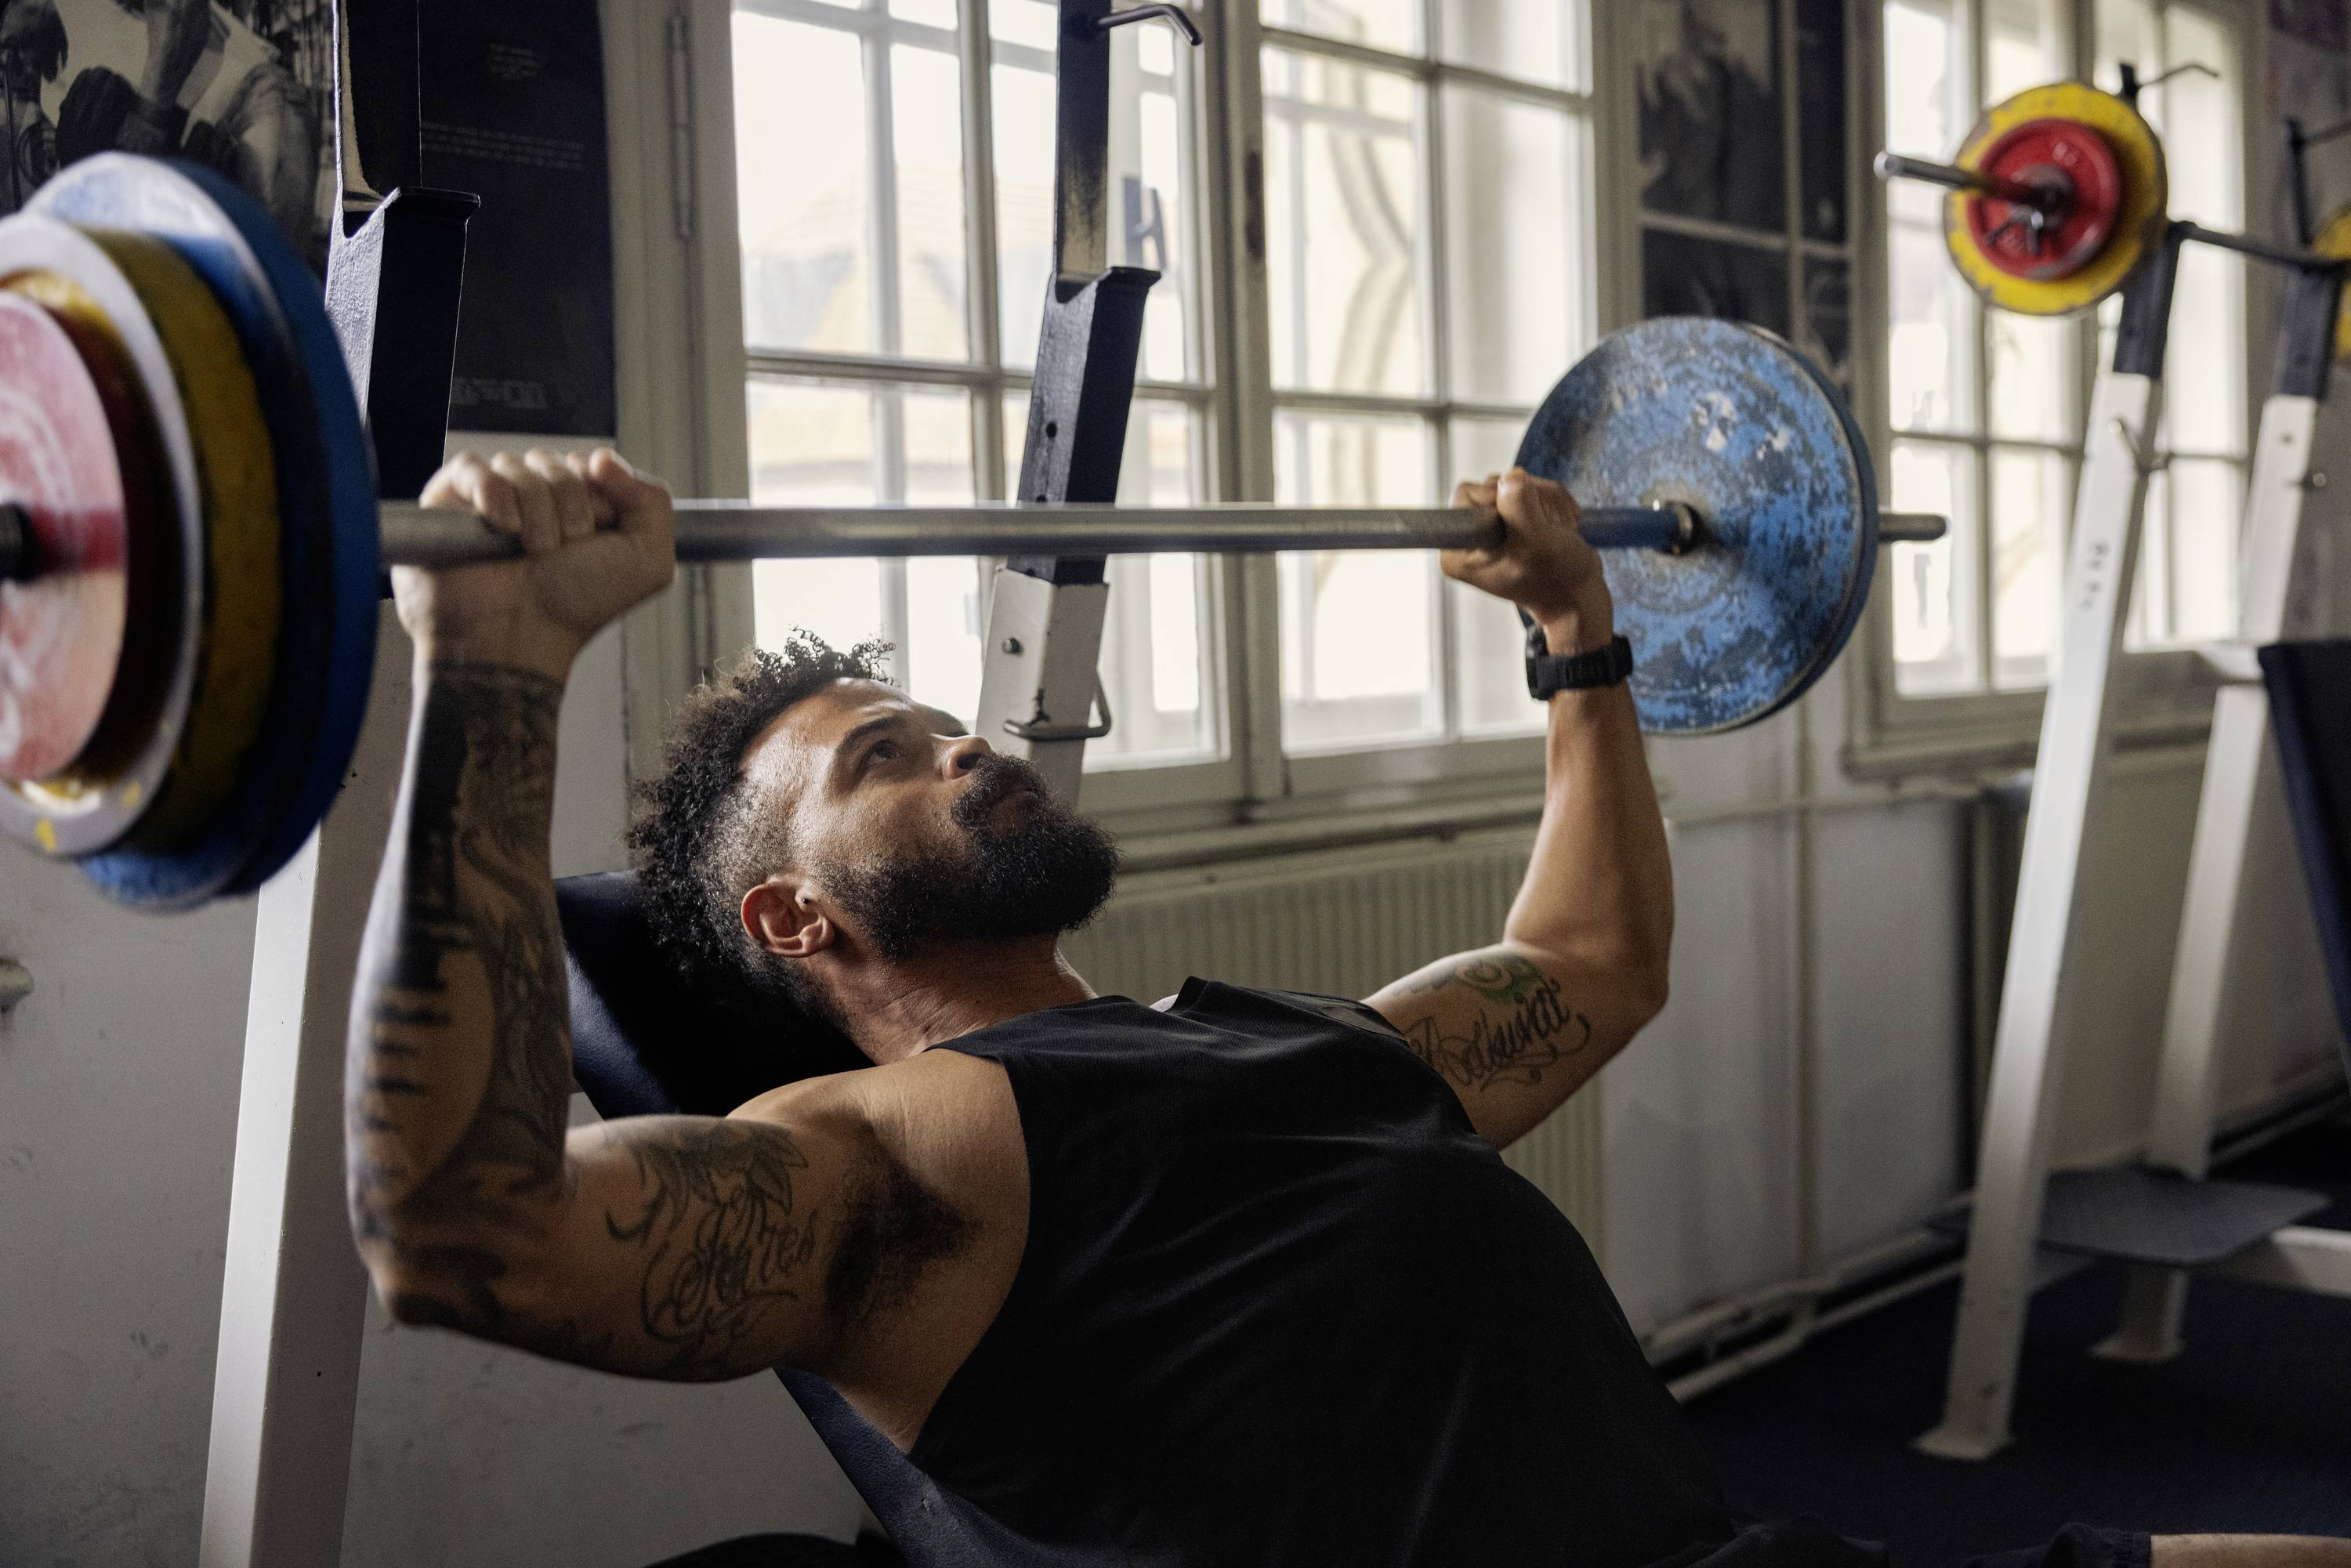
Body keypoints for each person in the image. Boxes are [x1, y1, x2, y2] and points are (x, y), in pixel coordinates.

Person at [346, 447, 2351, 1568]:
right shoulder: (892, 1156)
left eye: (957, 721)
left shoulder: (1292, 1040)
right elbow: (470, 1232)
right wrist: (498, 666)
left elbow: (1592, 966)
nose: (964, 748)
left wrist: (1580, 633)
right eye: (891, 753)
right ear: (796, 916)